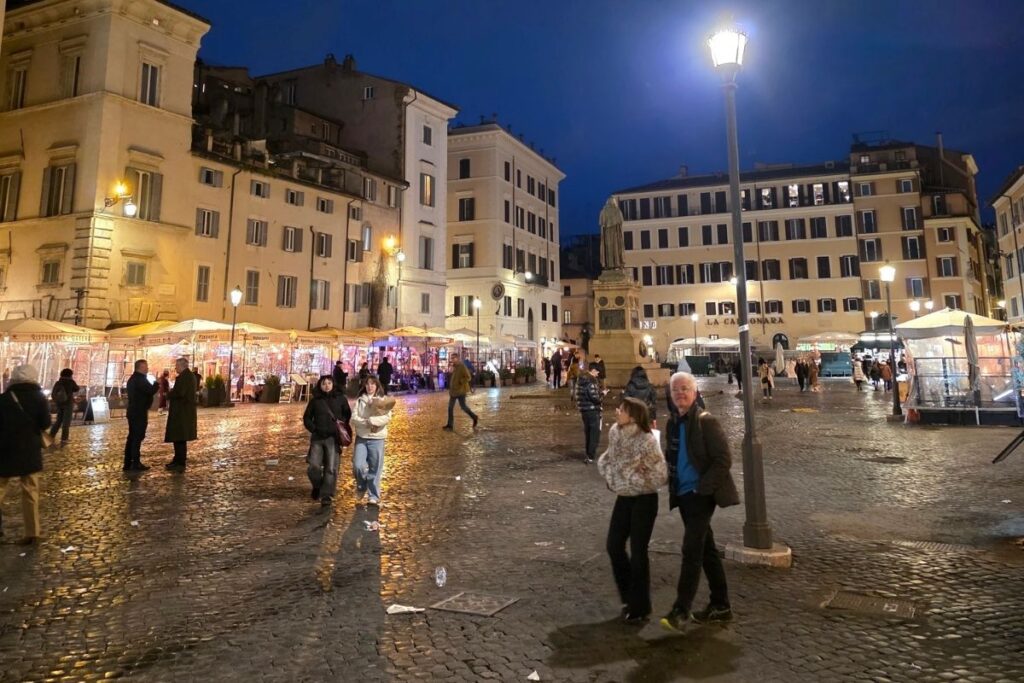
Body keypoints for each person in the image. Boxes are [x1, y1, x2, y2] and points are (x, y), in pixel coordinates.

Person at [660, 372, 739, 632]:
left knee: (691, 549)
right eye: (675, 390)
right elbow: (672, 458)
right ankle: (721, 605)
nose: (680, 393)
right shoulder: (672, 424)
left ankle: (681, 609)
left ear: (695, 393)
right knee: (707, 550)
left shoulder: (707, 422)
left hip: (700, 496)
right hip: (683, 496)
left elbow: (723, 460)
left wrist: (702, 489)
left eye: (685, 389)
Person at [598, 397, 668, 624]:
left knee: (638, 552)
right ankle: (629, 596)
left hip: (644, 500)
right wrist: (613, 479)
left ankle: (640, 606)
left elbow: (660, 474)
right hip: (624, 497)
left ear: (633, 416)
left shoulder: (647, 440)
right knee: (614, 545)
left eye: (622, 409)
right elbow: (606, 459)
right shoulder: (615, 433)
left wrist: (632, 480)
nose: (617, 411)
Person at [0, 365, 51, 544]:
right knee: (30, 492)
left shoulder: (4, 399)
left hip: (5, 449)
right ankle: (32, 532)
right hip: (29, 449)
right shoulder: (39, 398)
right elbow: (45, 423)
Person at [302, 375, 351, 506]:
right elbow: (307, 417)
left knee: (331, 468)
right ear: (320, 385)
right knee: (313, 466)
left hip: (333, 438)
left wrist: (339, 428)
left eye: (329, 383)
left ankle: (327, 494)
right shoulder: (315, 400)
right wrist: (314, 429)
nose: (327, 386)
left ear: (333, 384)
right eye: (324, 383)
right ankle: (317, 486)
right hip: (318, 438)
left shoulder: (340, 399)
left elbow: (347, 414)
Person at [349, 375, 393, 506]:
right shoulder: (360, 400)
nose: (370, 386)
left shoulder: (383, 400)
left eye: (372, 384)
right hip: (362, 437)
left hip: (377, 438)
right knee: (358, 465)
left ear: (377, 386)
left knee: (375, 467)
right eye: (367, 384)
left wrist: (372, 421)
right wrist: (366, 423)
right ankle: (361, 486)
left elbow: (387, 417)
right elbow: (354, 418)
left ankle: (373, 495)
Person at [124, 360, 158, 472]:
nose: (147, 368)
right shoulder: (139, 379)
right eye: (146, 367)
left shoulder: (134, 378)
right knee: (136, 437)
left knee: (132, 437)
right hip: (138, 412)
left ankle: (128, 462)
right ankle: (135, 463)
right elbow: (150, 390)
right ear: (141, 367)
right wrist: (156, 383)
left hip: (134, 411)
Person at [164, 358, 198, 471]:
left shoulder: (185, 377)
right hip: (183, 411)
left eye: (177, 366)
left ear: (182, 366)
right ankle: (177, 459)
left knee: (179, 437)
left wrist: (168, 394)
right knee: (179, 437)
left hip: (181, 411)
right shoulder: (188, 376)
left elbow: (180, 392)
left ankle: (180, 461)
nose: (175, 368)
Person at [576, 362, 604, 464]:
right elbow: (594, 398)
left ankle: (588, 454)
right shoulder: (591, 380)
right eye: (597, 371)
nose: (598, 373)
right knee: (594, 433)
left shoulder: (581, 380)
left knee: (588, 432)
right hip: (592, 410)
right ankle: (590, 455)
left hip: (584, 410)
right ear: (593, 370)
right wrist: (602, 395)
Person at [442, 354, 478, 431]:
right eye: (451, 358)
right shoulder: (454, 367)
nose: (452, 360)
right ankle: (450, 425)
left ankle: (474, 417)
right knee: (450, 408)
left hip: (461, 391)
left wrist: (461, 382)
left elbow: (468, 377)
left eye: (453, 358)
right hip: (453, 391)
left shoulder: (462, 366)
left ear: (457, 358)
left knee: (463, 407)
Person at [48, 368, 79, 447]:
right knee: (66, 422)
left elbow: (54, 393)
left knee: (58, 420)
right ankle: (64, 439)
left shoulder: (58, 382)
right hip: (68, 404)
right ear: (70, 375)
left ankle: (51, 436)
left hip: (59, 404)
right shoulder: (70, 382)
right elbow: (76, 389)